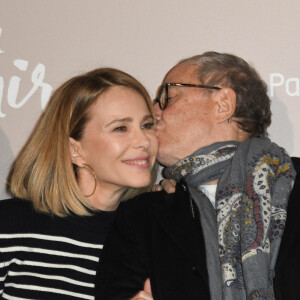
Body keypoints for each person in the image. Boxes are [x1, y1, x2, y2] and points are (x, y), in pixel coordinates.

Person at [95, 52, 300, 300]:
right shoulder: (142, 217)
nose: (154, 112)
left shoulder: (294, 187)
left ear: (223, 104)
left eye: (167, 97)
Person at [0, 68, 158, 299]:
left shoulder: (151, 239)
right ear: (76, 150)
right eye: (120, 128)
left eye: (147, 125)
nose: (144, 140)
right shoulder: (8, 226)